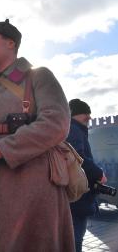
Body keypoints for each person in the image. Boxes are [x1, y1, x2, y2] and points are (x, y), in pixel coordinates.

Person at [0, 19, 75, 251]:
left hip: (32, 180)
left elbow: (56, 121)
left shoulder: (38, 76)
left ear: (10, 43)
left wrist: (5, 147)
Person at [67, 99, 107, 252]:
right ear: (74, 115)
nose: (89, 118)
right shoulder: (74, 129)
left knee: (76, 236)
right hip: (78, 195)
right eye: (85, 114)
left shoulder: (73, 128)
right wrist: (99, 174)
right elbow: (79, 158)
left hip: (75, 194)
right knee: (76, 238)